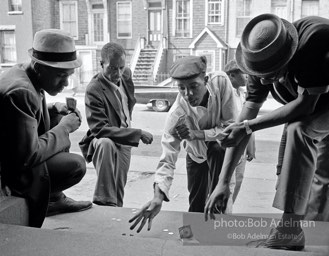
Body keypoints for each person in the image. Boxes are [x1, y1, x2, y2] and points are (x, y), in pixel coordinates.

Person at [205, 13, 329, 251]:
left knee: (299, 131)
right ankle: (302, 233)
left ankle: (290, 230)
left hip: (320, 99)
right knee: (318, 184)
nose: (263, 83)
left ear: (289, 56)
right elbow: (242, 125)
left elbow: (306, 106)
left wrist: (249, 127)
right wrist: (223, 183)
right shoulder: (258, 59)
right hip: (316, 100)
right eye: (259, 76)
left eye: (271, 75)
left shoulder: (316, 41)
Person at [129, 55, 238, 232]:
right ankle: (194, 241)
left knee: (219, 203)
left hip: (223, 152)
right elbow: (167, 158)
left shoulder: (221, 82)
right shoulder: (177, 114)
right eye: (181, 88)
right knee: (196, 207)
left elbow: (231, 129)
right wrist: (158, 196)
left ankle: (219, 236)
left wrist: (197, 134)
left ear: (206, 79)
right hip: (195, 156)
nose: (188, 95)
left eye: (194, 86)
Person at [0, 29, 92, 228]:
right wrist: (65, 128)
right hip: (9, 171)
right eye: (60, 75)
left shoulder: (22, 74)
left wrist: (52, 109)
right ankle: (52, 200)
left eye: (68, 76)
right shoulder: (22, 91)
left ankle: (54, 197)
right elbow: (27, 157)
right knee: (76, 165)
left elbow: (19, 119)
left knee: (57, 117)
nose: (65, 83)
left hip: (11, 154)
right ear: (39, 66)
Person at [79, 42, 153, 207]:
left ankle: (113, 218)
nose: (117, 73)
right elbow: (99, 129)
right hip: (103, 139)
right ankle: (102, 199)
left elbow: (127, 101)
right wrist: (137, 133)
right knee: (106, 144)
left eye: (121, 67)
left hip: (124, 140)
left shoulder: (126, 74)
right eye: (112, 68)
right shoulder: (94, 89)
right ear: (101, 65)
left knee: (118, 189)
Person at [224, 59, 256, 203]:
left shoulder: (243, 94)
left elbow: (248, 123)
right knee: (226, 183)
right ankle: (222, 214)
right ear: (232, 75)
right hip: (229, 146)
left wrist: (251, 146)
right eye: (244, 74)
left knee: (238, 180)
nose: (248, 77)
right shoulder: (225, 94)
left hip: (242, 145)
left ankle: (229, 210)